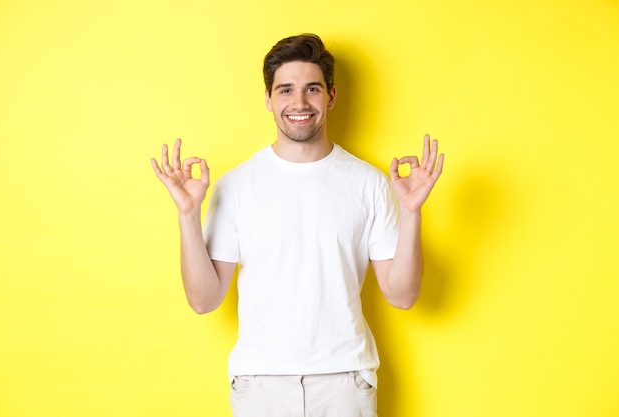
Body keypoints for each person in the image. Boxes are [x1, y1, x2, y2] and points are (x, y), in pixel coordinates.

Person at [151, 33, 444, 417]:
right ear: (269, 100)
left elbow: (402, 295)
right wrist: (188, 215)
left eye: (312, 89)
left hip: (345, 381)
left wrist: (412, 213)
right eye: (285, 90)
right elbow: (204, 301)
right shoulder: (235, 186)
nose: (299, 103)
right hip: (260, 384)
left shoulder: (369, 182)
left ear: (331, 97)